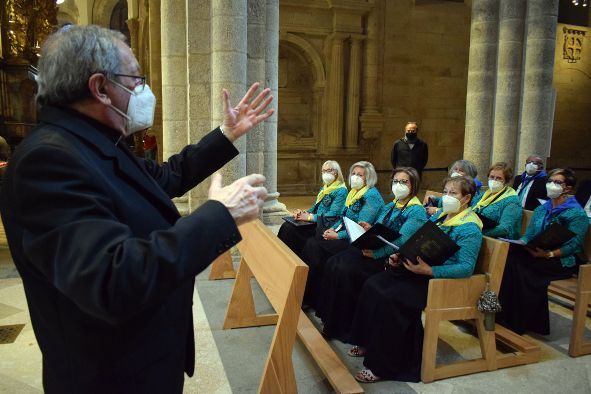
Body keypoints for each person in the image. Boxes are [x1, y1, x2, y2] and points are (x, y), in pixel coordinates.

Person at [0, 25, 274, 393]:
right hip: (111, 376)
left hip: (143, 357)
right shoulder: (49, 160)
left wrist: (225, 135)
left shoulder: (93, 141)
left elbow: (165, 177)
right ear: (100, 88)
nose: (143, 90)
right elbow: (112, 280)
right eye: (135, 78)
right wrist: (220, 215)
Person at [346, 175, 483, 383]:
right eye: (445, 192)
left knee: (391, 299)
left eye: (453, 193)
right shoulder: (441, 217)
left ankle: (384, 366)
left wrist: (429, 271)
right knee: (373, 285)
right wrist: (400, 256)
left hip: (439, 282)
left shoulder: (470, 228)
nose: (446, 197)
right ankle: (369, 344)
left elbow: (466, 267)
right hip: (419, 272)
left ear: (466, 199)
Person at [315, 167, 427, 341]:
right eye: (396, 181)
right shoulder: (391, 205)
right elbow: (379, 227)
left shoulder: (417, 211)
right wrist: (369, 229)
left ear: (414, 186)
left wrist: (376, 254)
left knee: (346, 270)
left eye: (404, 182)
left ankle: (344, 328)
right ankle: (332, 320)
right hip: (373, 248)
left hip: (385, 257)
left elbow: (401, 241)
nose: (399, 185)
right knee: (334, 263)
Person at [498, 168, 588, 336]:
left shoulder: (577, 214)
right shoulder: (542, 209)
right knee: (509, 260)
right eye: (550, 181)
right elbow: (529, 235)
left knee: (524, 271)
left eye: (557, 182)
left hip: (562, 260)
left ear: (567, 188)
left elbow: (574, 245)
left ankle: (525, 323)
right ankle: (504, 315)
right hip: (537, 252)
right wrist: (521, 244)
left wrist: (549, 254)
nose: (551, 185)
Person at [300, 161, 384, 308]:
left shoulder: (371, 196)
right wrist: (333, 229)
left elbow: (360, 227)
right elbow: (342, 217)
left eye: (360, 175)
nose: (355, 177)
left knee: (315, 246)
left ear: (368, 178)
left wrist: (338, 235)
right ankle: (308, 294)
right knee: (313, 243)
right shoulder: (353, 192)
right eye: (353, 173)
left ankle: (311, 297)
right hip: (344, 231)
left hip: (356, 239)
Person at [277, 160, 348, 257]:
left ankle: (294, 259)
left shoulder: (341, 191)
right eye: (323, 171)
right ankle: (283, 257)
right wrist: (303, 212)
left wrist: (310, 217)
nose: (325, 173)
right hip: (316, 220)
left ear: (336, 172)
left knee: (291, 231)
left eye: (329, 170)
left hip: (325, 224)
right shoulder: (325, 188)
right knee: (287, 226)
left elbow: (333, 214)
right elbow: (316, 206)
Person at [471, 162, 522, 239]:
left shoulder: (512, 201)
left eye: (499, 178)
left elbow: (504, 229)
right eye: (492, 177)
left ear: (506, 181)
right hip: (475, 233)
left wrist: (476, 233)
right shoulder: (483, 195)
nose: (494, 180)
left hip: (497, 240)